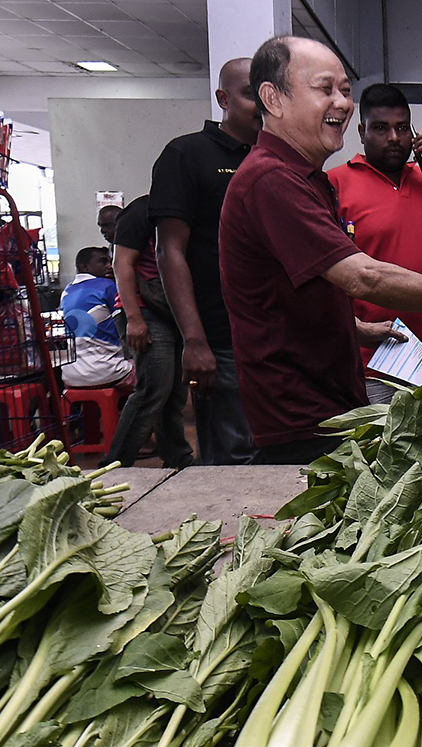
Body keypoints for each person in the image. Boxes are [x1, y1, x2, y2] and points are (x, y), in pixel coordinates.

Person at [219, 36, 422, 465]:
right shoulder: (272, 180)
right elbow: (365, 277)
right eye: (325, 89)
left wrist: (356, 329)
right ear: (274, 98)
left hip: (332, 395)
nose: (341, 102)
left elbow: (288, 292)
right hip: (300, 407)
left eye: (344, 90)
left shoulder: (306, 177)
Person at [150, 57, 261, 465]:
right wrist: (194, 340)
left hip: (271, 341)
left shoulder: (274, 157)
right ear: (223, 99)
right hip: (221, 339)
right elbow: (169, 251)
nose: (262, 104)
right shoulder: (188, 154)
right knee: (234, 461)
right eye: (250, 93)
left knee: (274, 459)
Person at [328, 83, 422, 404]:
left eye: (402, 128)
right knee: (379, 451)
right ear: (361, 131)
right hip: (374, 360)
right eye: (381, 128)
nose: (393, 138)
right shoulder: (334, 184)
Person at [101, 195, 194, 469]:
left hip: (171, 311)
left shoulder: (186, 209)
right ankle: (115, 465)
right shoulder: (140, 212)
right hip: (142, 311)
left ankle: (177, 458)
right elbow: (122, 265)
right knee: (154, 388)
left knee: (173, 393)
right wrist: (134, 319)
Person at [60, 246, 135, 389]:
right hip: (106, 372)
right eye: (103, 261)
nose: (109, 266)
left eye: (110, 261)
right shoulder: (108, 286)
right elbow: (126, 326)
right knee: (153, 370)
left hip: (71, 375)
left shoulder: (66, 292)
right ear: (85, 266)